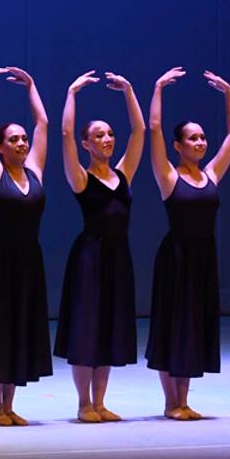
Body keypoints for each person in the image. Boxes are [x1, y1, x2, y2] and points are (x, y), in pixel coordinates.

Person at [145, 67, 230, 420]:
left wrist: (229, 94)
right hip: (176, 257)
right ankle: (171, 402)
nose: (200, 143)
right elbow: (153, 129)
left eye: (202, 138)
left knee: (195, 325)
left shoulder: (212, 174)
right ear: (178, 145)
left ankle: (184, 400)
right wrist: (158, 88)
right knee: (174, 324)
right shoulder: (169, 176)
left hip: (204, 258)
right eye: (193, 139)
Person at [55, 70, 146, 422]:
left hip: (118, 256)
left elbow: (140, 132)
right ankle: (83, 404)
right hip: (90, 257)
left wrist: (128, 90)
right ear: (86, 144)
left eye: (109, 134)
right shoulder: (81, 177)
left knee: (108, 325)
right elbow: (64, 133)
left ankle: (100, 401)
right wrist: (72, 93)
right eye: (98, 135)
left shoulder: (123, 173)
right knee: (87, 326)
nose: (107, 139)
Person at [0, 66, 53, 426]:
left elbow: (44, 124)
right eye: (13, 140)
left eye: (22, 139)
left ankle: (10, 404)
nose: (21, 143)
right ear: (0, 148)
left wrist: (32, 86)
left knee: (20, 325)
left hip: (29, 259)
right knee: (0, 327)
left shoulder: (34, 170)